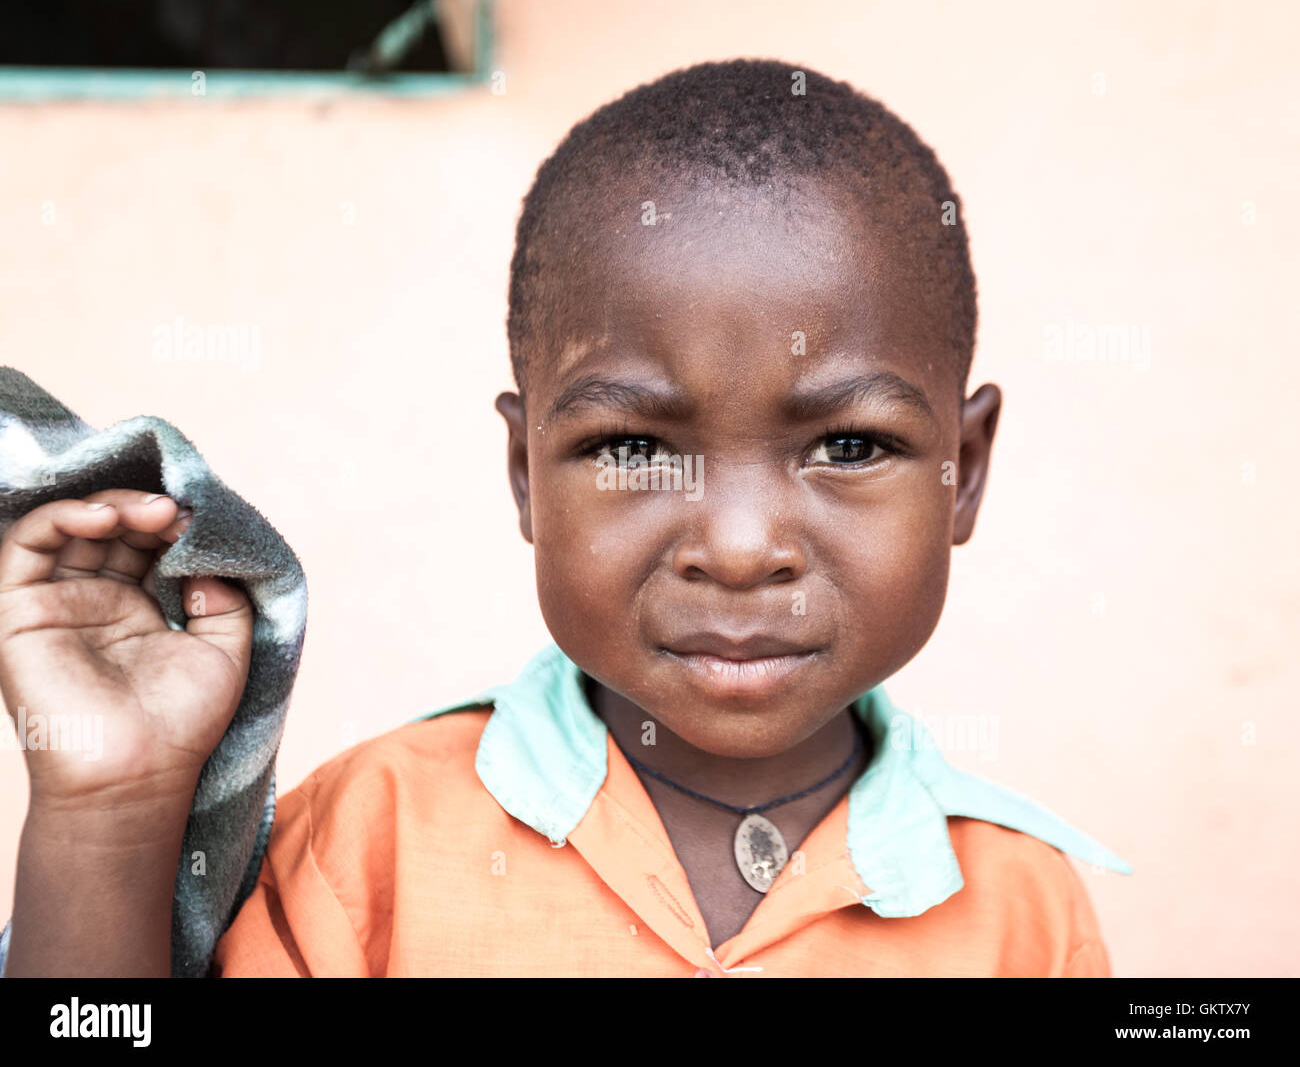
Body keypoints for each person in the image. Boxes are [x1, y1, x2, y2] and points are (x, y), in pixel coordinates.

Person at [1, 59, 1129, 978]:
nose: (738, 549)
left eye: (848, 445)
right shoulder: (373, 843)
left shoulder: (1023, 911)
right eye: (633, 448)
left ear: (963, 472)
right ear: (525, 472)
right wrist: (109, 809)